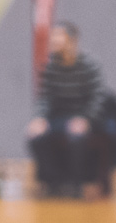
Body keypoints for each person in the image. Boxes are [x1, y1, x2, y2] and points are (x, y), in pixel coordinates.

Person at [26, 22, 111, 199]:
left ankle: (76, 183)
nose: (54, 40)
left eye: (58, 35)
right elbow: (45, 98)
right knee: (35, 136)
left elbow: (98, 98)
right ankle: (53, 181)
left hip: (85, 117)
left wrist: (85, 119)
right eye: (53, 36)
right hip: (58, 117)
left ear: (71, 41)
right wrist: (39, 118)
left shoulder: (89, 65)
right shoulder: (50, 66)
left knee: (76, 137)